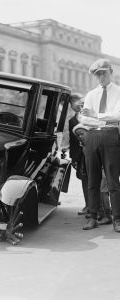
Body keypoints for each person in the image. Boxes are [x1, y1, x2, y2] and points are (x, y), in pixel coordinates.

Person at [79, 58, 120, 232]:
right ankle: (93, 217)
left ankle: (117, 219)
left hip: (111, 135)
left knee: (112, 180)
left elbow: (118, 116)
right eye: (97, 74)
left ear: (111, 72)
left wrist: (97, 115)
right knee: (92, 179)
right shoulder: (91, 94)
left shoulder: (118, 92)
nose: (101, 77)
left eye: (103, 73)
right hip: (92, 136)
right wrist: (101, 117)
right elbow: (84, 118)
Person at [73, 123, 112, 225]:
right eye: (78, 135)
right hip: (96, 172)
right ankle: (100, 213)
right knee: (98, 191)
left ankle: (107, 216)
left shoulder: (96, 144)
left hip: (104, 171)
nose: (80, 137)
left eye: (82, 134)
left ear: (89, 133)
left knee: (103, 192)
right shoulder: (85, 146)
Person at [67, 94, 89, 216]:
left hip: (92, 152)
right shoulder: (71, 121)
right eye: (73, 104)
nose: (77, 106)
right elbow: (72, 141)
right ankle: (88, 205)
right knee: (84, 180)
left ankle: (100, 207)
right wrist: (73, 158)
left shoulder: (90, 118)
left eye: (81, 103)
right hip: (80, 156)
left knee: (97, 180)